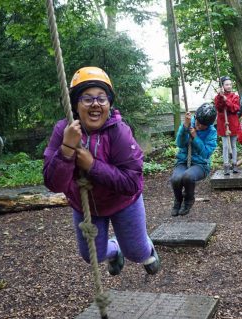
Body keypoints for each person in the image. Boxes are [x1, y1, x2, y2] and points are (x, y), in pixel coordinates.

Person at [43, 66, 160, 276]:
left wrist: (92, 166)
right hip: (86, 205)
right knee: (92, 256)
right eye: (87, 98)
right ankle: (115, 251)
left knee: (137, 253)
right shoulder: (63, 131)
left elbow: (132, 183)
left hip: (123, 202)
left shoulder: (119, 132)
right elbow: (54, 184)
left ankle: (147, 249)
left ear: (109, 104)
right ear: (76, 105)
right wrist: (67, 149)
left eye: (101, 98)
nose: (95, 104)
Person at [170, 103, 217, 216]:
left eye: (203, 125)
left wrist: (195, 137)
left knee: (188, 176)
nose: (199, 126)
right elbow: (180, 144)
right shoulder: (189, 123)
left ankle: (188, 200)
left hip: (200, 164)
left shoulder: (211, 132)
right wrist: (184, 128)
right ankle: (178, 200)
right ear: (195, 118)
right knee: (176, 178)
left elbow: (205, 153)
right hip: (183, 160)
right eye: (198, 123)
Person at [214, 76, 240, 175]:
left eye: (230, 84)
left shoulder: (235, 96)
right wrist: (221, 98)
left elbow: (236, 108)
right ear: (222, 86)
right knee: (225, 146)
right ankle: (226, 165)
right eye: (226, 84)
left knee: (233, 145)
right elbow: (219, 108)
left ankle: (234, 164)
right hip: (223, 124)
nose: (229, 86)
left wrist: (227, 100)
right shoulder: (218, 97)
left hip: (232, 124)